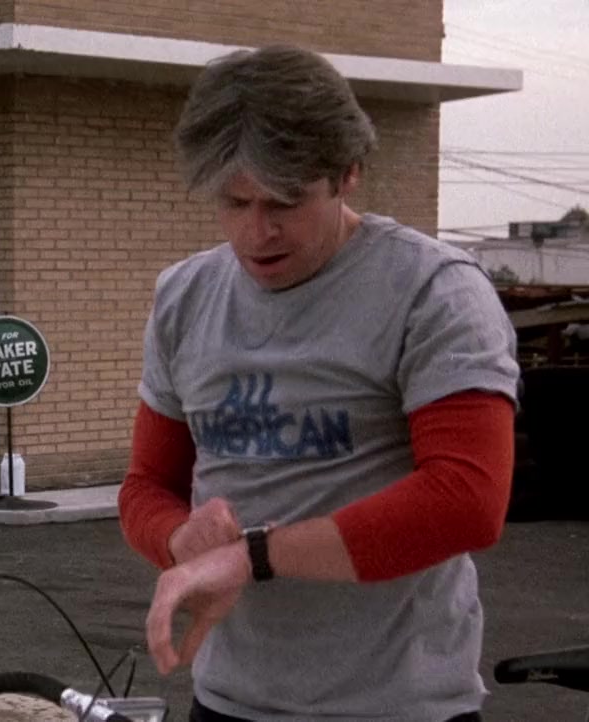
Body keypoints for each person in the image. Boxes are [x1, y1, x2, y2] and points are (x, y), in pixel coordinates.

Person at [118, 45, 519, 722]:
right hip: (229, 701)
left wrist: (252, 557)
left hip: (399, 707)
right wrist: (179, 540)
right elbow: (145, 487)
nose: (258, 231)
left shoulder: (432, 291)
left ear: (347, 173)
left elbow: (467, 500)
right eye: (234, 202)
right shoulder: (185, 297)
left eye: (286, 201)